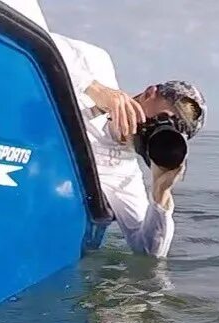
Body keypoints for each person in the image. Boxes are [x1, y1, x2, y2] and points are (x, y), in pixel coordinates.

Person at [51, 32, 205, 258]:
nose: (154, 128)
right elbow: (30, 41)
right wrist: (93, 88)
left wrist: (161, 193)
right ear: (151, 93)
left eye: (170, 130)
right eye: (163, 118)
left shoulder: (124, 177)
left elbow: (148, 251)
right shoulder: (96, 63)